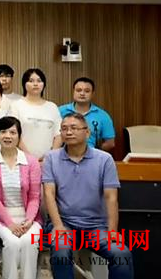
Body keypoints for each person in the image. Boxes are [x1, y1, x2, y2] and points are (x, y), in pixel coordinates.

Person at [43, 113, 133, 279]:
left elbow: (111, 198)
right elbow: (49, 193)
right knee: (61, 251)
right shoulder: (51, 158)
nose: (68, 132)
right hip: (65, 224)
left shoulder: (104, 159)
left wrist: (112, 231)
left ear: (87, 132)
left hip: (97, 227)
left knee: (121, 254)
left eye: (74, 128)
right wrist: (58, 225)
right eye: (64, 129)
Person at [0, 117, 42, 279]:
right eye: (3, 132)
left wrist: (29, 220)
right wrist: (10, 224)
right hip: (3, 218)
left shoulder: (31, 161)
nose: (8, 136)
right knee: (12, 244)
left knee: (29, 242)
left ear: (19, 136)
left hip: (30, 218)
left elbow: (35, 196)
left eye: (13, 132)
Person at [7, 68, 62, 160]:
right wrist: (30, 157)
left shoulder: (52, 107)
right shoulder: (16, 105)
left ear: (44, 84)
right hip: (21, 158)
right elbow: (12, 133)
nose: (35, 84)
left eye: (39, 81)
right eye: (31, 81)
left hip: (48, 160)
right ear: (24, 84)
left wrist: (50, 155)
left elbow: (59, 134)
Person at [58, 77, 115, 151]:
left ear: (93, 94)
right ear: (73, 92)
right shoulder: (60, 111)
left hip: (91, 155)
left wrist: (95, 153)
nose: (82, 93)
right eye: (78, 90)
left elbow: (110, 143)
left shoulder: (103, 115)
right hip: (64, 154)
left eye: (87, 91)